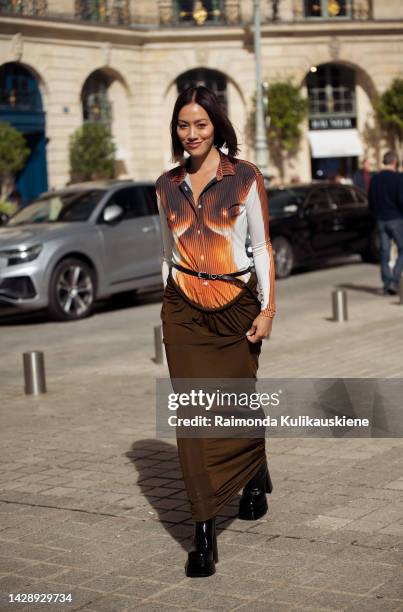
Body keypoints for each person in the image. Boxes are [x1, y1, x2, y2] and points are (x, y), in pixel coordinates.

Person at [155, 86, 276, 577]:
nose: (191, 134)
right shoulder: (165, 185)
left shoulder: (245, 178)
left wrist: (267, 310)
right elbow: (166, 253)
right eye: (183, 125)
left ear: (216, 127)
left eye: (200, 125)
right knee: (193, 416)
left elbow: (263, 247)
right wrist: (166, 310)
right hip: (183, 308)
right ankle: (202, 529)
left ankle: (253, 470)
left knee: (237, 399)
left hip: (236, 306)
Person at [368, 151, 403, 295]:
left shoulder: (375, 179)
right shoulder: (399, 178)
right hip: (395, 219)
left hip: (380, 220)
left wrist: (376, 215)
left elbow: (370, 201)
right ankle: (394, 281)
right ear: (395, 163)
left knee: (384, 252)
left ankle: (386, 282)